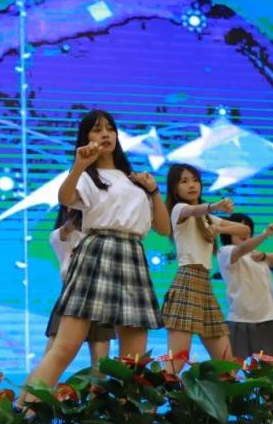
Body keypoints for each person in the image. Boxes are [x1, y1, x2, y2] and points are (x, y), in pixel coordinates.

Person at [20, 109, 171, 401]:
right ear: (86, 137)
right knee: (64, 347)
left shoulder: (135, 180)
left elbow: (164, 229)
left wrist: (153, 191)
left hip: (132, 255)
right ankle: (22, 411)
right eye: (97, 129)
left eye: (110, 129)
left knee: (134, 361)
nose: (105, 134)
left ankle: (127, 423)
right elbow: (65, 198)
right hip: (97, 250)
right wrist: (79, 166)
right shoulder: (87, 176)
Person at [160, 164, 249, 372]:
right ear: (175, 189)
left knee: (227, 365)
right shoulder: (178, 210)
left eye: (195, 180)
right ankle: (153, 394)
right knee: (176, 362)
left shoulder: (208, 219)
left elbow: (244, 229)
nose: (192, 185)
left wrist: (218, 228)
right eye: (184, 181)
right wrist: (214, 206)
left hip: (204, 286)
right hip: (187, 282)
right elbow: (193, 210)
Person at [217, 213, 273, 365]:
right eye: (239, 228)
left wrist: (264, 256)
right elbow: (241, 250)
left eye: (247, 229)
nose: (244, 232)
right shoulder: (226, 252)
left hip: (270, 316)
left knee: (271, 369)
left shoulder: (256, 255)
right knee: (232, 368)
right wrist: (265, 234)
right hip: (242, 318)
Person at [42, 207, 113, 370]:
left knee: (100, 357)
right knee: (55, 350)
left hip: (100, 292)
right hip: (73, 292)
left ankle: (98, 387)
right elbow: (61, 238)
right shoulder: (61, 235)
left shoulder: (101, 233)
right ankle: (36, 386)